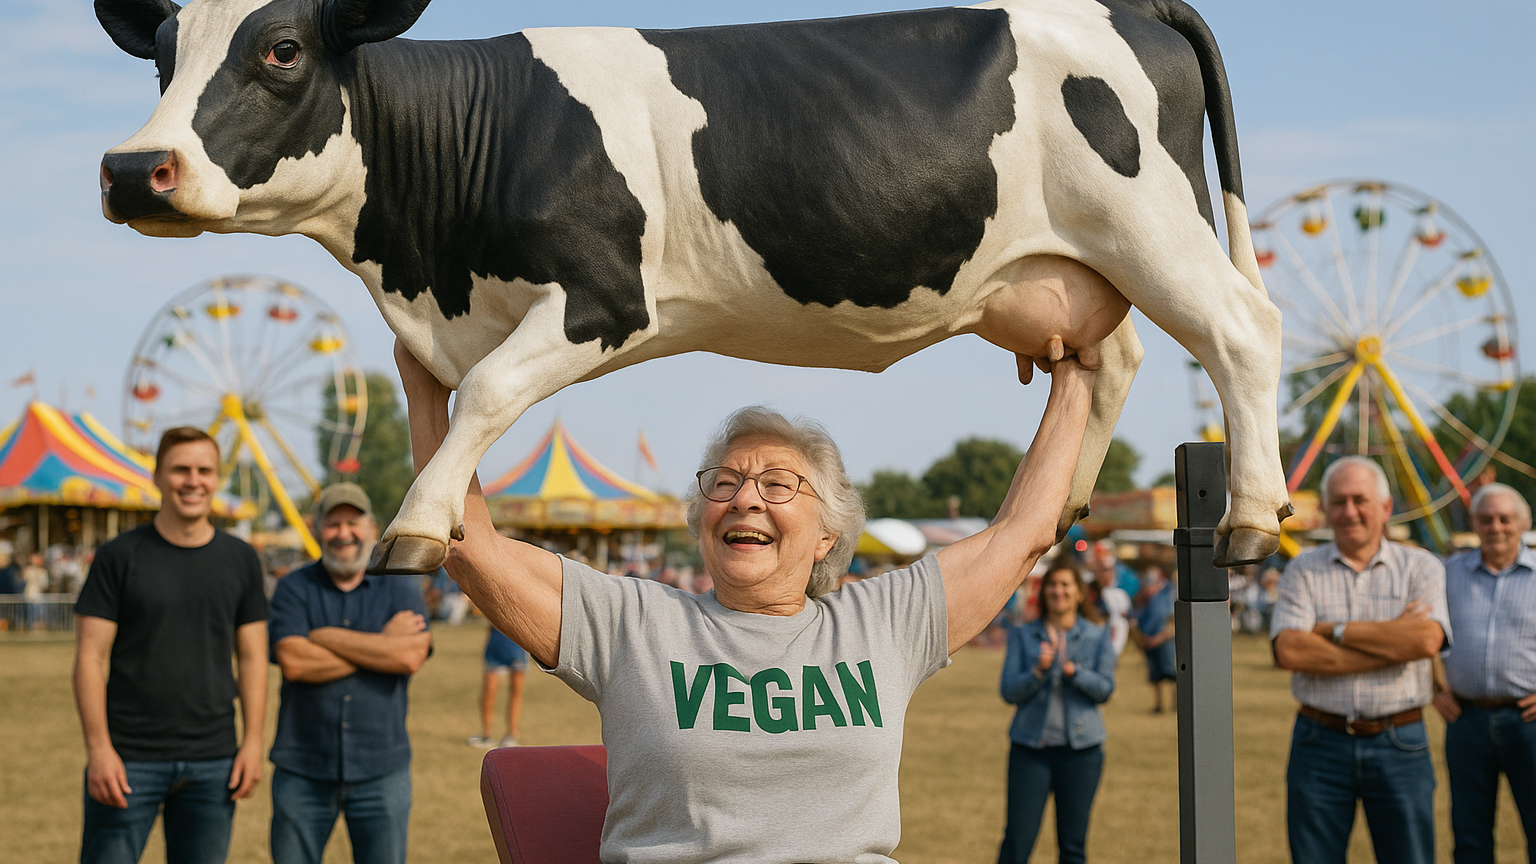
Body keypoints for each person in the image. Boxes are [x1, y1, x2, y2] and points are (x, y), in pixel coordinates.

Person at [387, 336, 1097, 863]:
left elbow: (1023, 534)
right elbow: (466, 541)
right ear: (702, 521)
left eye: (778, 485)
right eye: (722, 483)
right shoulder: (634, 624)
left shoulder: (884, 622)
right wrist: (426, 392)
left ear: (827, 535)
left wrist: (1075, 377)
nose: (744, 497)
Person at [73, 427, 268, 864]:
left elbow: (253, 658)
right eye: (180, 470)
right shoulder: (118, 557)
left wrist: (252, 742)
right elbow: (90, 657)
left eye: (204, 470)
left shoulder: (240, 559)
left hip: (213, 759)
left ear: (217, 478)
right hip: (128, 757)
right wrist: (99, 749)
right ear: (157, 476)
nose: (192, 481)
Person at [1271, 455, 1450, 864]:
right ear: (1325, 508)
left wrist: (1333, 631)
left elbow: (1425, 641)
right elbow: (1290, 651)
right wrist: (1392, 644)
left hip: (1399, 741)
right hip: (1320, 740)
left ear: (1385, 508)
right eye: (1338, 501)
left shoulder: (1420, 567)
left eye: (1359, 500)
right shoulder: (1302, 570)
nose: (1349, 511)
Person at [268, 483, 432, 864]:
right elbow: (294, 662)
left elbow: (409, 657)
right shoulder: (293, 587)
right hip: (303, 767)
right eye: (333, 523)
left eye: (352, 522)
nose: (344, 533)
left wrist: (325, 638)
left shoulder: (400, 586)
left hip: (381, 770)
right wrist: (380, 645)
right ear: (316, 528)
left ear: (372, 527)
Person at [1433, 483, 1536, 864]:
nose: (1496, 527)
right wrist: (1433, 689)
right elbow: (1419, 631)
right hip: (1466, 720)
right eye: (1486, 519)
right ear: (1474, 523)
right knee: (1470, 833)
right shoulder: (1447, 573)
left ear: (1523, 523)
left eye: (1504, 519)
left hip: (1528, 720)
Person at [997, 558, 1116, 864]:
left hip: (1082, 753)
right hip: (1030, 750)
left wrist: (1074, 672)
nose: (1058, 591)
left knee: (1073, 846)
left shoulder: (1097, 635)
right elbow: (1008, 691)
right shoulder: (1024, 634)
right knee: (1017, 843)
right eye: (1052, 584)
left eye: (1065, 584)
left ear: (1079, 593)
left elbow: (1105, 690)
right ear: (1043, 591)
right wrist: (1037, 671)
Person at [469, 626, 528, 748]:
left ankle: (512, 734)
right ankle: (487, 735)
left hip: (517, 641)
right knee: (489, 691)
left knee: (516, 691)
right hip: (496, 641)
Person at [1131, 567, 1175, 712]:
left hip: (1165, 642)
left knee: (1172, 674)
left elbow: (1172, 622)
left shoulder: (1167, 596)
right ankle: (1159, 705)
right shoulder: (1142, 599)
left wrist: (1160, 638)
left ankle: (1176, 703)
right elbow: (1136, 619)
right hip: (1148, 642)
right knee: (1155, 675)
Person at [1091, 559, 1131, 655]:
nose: (1106, 574)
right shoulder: (1091, 593)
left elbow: (1127, 616)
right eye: (1102, 570)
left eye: (1109, 570)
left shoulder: (1121, 595)